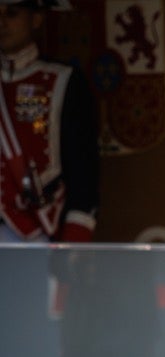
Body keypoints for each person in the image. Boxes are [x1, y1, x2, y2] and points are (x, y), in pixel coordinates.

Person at [1, 0, 97, 243]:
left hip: (38, 231)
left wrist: (75, 238)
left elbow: (83, 169)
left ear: (36, 19)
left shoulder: (64, 80)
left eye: (12, 13)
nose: (1, 22)